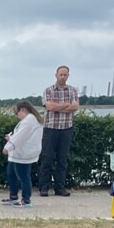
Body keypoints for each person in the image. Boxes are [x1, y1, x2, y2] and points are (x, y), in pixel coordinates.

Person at [38, 66, 79, 197]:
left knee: (62, 159)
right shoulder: (48, 90)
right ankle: (44, 187)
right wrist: (66, 105)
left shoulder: (72, 90)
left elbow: (75, 107)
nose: (63, 77)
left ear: (68, 76)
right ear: (56, 75)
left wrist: (57, 107)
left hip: (66, 128)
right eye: (61, 74)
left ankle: (60, 188)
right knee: (47, 158)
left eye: (65, 75)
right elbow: (49, 106)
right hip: (50, 127)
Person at [2, 101, 44, 207]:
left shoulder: (29, 120)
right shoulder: (30, 120)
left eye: (17, 113)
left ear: (23, 110)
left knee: (23, 176)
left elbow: (20, 136)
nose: (16, 115)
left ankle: (26, 200)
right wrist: (11, 138)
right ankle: (13, 196)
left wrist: (7, 146)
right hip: (20, 151)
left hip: (24, 153)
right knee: (11, 173)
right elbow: (22, 136)